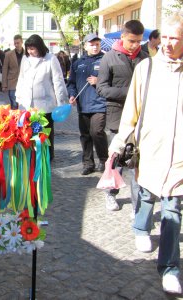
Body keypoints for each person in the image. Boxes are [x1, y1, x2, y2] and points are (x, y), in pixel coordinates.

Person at [108, 11, 183, 294]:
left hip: (179, 157)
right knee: (147, 194)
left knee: (173, 210)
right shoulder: (146, 69)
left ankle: (169, 268)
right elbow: (131, 111)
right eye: (165, 37)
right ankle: (141, 228)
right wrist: (117, 145)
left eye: (175, 38)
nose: (167, 43)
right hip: (150, 149)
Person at [97, 20, 148, 212]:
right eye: (132, 41)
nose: (136, 45)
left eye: (139, 41)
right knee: (116, 159)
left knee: (137, 163)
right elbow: (101, 89)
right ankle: (111, 194)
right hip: (117, 117)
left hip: (142, 119)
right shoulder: (109, 58)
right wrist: (130, 92)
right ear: (123, 37)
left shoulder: (145, 58)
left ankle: (139, 205)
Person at [15, 34, 68, 161]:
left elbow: (58, 81)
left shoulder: (50, 59)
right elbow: (21, 79)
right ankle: (32, 155)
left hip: (45, 105)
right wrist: (18, 99)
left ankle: (48, 156)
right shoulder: (25, 59)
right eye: (28, 49)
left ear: (39, 47)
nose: (30, 51)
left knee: (45, 133)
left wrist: (61, 103)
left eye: (32, 49)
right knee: (31, 131)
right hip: (27, 105)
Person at [67, 33, 108, 175]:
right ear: (85, 46)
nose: (95, 47)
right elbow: (71, 83)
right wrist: (72, 95)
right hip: (83, 105)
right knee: (85, 135)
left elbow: (111, 81)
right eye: (91, 44)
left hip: (99, 104)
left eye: (97, 44)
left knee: (96, 131)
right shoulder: (77, 63)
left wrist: (99, 82)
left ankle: (104, 160)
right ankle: (88, 163)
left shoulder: (106, 60)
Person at [2, 34, 24, 110]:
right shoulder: (8, 54)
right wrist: (4, 84)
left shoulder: (27, 54)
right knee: (14, 104)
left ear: (22, 42)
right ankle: (14, 120)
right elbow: (4, 69)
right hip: (12, 82)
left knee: (23, 104)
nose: (16, 45)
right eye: (15, 43)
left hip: (24, 82)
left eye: (18, 43)